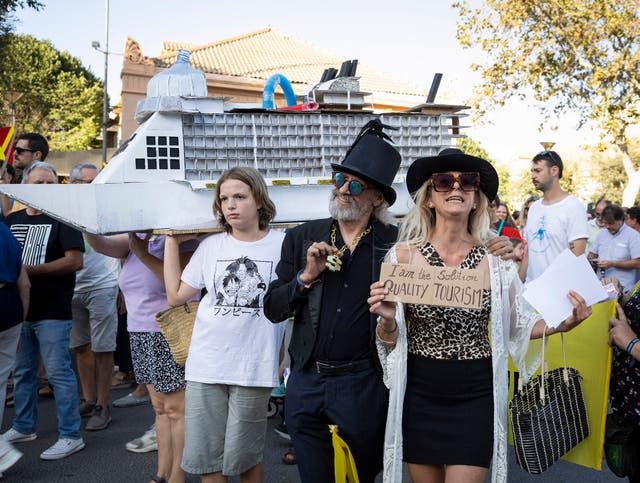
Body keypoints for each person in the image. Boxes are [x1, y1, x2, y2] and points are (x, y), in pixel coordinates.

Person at [368, 148, 592, 483]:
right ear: (429, 199)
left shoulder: (496, 260)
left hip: (474, 394)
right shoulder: (402, 258)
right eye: (444, 182)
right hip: (419, 392)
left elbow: (521, 323)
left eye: (467, 182)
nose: (456, 188)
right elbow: (389, 340)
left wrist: (565, 323)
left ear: (476, 200)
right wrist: (386, 319)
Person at [263, 120, 402, 483]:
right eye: (339, 179)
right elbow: (273, 307)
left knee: (360, 475)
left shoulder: (396, 245)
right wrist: (305, 278)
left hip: (365, 384)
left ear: (377, 198)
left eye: (355, 185)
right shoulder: (302, 237)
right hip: (308, 381)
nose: (343, 189)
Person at [164, 166, 287, 483]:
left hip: (254, 366)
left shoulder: (283, 244)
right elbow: (177, 296)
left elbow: (295, 302)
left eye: (240, 197)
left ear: (259, 200)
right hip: (206, 363)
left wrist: (283, 360)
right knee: (209, 460)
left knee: (246, 458)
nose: (230, 205)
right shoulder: (211, 247)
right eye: (224, 198)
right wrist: (170, 242)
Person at [85, 231, 197, 483]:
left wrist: (142, 253)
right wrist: (84, 221)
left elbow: (177, 284)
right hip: (139, 332)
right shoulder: (136, 236)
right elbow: (102, 244)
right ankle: (161, 474)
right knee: (159, 408)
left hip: (169, 332)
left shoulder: (183, 240)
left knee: (176, 409)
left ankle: (177, 477)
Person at [1, 161, 86, 461]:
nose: (46, 189)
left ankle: (71, 435)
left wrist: (29, 271)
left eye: (51, 183)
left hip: (53, 310)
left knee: (58, 373)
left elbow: (75, 261)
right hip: (20, 311)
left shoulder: (64, 218)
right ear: (25, 185)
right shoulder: (12, 220)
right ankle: (24, 426)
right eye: (39, 183)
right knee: (22, 372)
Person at [68, 163, 120, 431]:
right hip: (72, 288)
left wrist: (120, 286)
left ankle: (102, 404)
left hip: (103, 286)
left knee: (103, 348)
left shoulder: (108, 208)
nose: (93, 186)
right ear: (74, 184)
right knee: (81, 348)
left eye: (96, 181)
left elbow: (123, 246)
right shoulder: (62, 211)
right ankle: (88, 399)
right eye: (87, 181)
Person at [522, 150, 588, 282]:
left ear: (554, 171)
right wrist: (518, 285)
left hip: (558, 293)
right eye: (532, 171)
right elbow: (529, 252)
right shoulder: (534, 208)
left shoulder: (573, 207)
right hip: (529, 291)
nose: (533, 176)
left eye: (538, 171)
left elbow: (576, 256)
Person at [0, 222, 29, 476]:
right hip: (11, 311)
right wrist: (20, 325)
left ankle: (1, 453)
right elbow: (25, 285)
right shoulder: (7, 232)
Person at [588, 204, 640, 292]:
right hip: (600, 285)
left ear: (620, 220)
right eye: (605, 223)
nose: (607, 226)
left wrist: (613, 264)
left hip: (623, 288)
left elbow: (638, 263)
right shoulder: (601, 234)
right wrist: (592, 260)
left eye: (611, 223)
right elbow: (592, 255)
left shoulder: (633, 235)